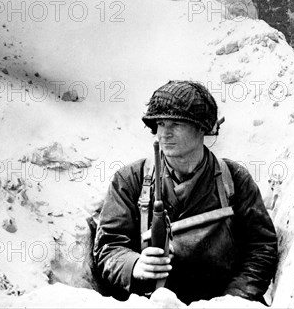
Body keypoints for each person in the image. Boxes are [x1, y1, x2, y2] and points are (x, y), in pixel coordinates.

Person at [93, 80, 278, 304]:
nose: (164, 133)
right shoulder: (131, 179)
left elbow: (261, 249)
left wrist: (232, 300)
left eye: (175, 124)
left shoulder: (235, 179)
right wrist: (133, 265)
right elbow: (108, 246)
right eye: (160, 123)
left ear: (202, 127)